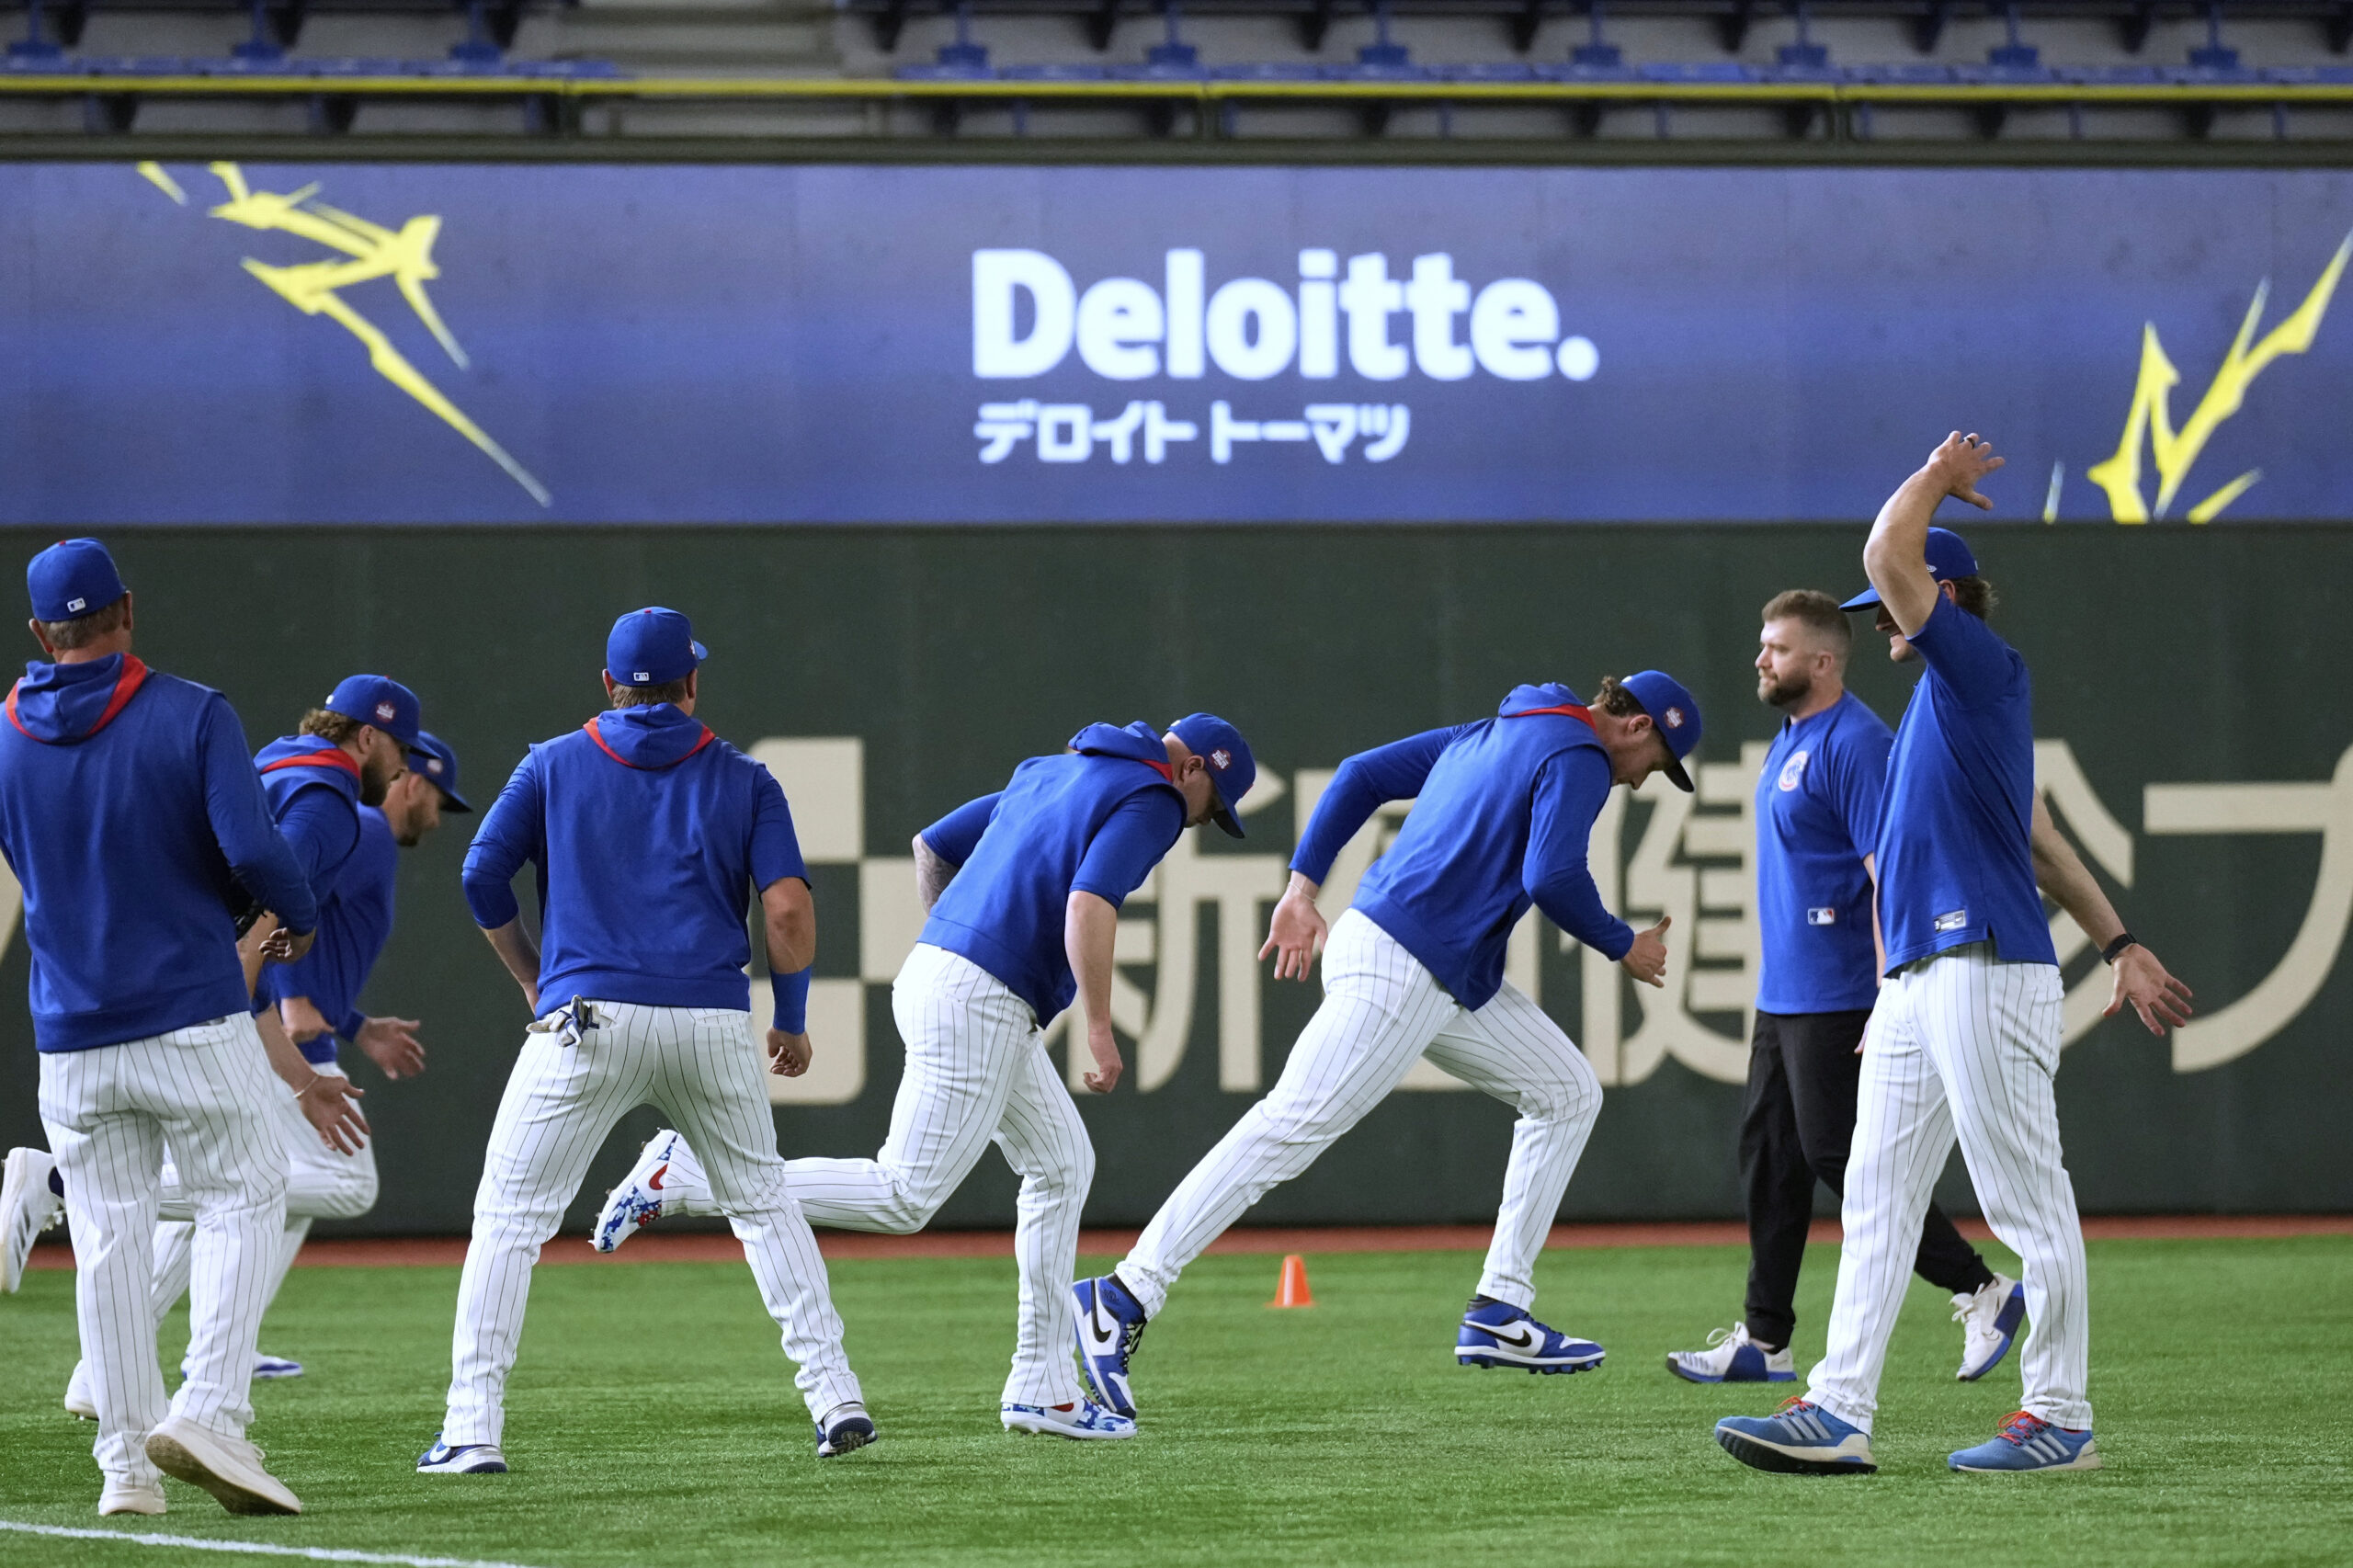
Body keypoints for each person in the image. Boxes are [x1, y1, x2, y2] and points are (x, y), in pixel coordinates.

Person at [1713, 434, 2193, 1477]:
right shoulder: (1941, 706)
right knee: (1878, 1194)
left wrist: (1932, 475)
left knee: (2025, 1198)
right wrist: (2119, 940)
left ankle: (2059, 1414)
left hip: (1983, 963)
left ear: (1943, 591)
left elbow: (1891, 554)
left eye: (1890, 601)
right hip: (1917, 982)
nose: (1876, 613)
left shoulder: (1976, 667)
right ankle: (1838, 1407)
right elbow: (2038, 836)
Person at [591, 712, 1258, 1444]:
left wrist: (958, 943)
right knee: (904, 1194)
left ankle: (1043, 1387)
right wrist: (1098, 1027)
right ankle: (683, 1176)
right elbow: (1090, 902)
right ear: (1195, 768)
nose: (1200, 822)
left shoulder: (1052, 767)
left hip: (948, 978)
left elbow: (931, 845)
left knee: (1063, 1165)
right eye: (1212, 807)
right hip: (979, 998)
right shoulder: (1156, 795)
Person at [1072, 674, 1698, 1422]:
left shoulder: (1499, 729)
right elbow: (1553, 875)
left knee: (1566, 1092)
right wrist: (1623, 943)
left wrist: (1304, 890)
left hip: (1430, 963)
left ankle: (1501, 1307)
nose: (1639, 780)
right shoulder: (1581, 755)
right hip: (1405, 963)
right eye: (1656, 764)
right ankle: (1123, 1294)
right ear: (1636, 729)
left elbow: (1359, 776)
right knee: (1288, 1128)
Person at [425, 608, 870, 1474]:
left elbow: (481, 873)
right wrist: (793, 1016)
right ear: (692, 685)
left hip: (587, 1019)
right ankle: (835, 1395)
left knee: (509, 1223)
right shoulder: (744, 777)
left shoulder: (552, 762)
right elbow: (787, 909)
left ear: (607, 685)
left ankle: (473, 1429)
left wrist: (531, 978)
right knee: (764, 1207)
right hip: (709, 1020)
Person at [0, 539, 320, 1517]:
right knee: (249, 1188)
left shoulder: (5, 731)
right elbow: (255, 845)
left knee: (107, 1238)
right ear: (127, 610)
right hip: (186, 1009)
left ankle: (125, 1468)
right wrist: (294, 915)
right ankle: (211, 1409)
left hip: (71, 1030)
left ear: (36, 632)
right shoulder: (190, 710)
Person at [48, 731, 470, 1416]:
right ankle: (77, 1183)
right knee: (336, 1184)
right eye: (438, 799)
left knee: (267, 1205)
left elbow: (305, 919)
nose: (435, 816)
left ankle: (115, 1370)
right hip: (273, 1035)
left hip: (269, 1026)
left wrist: (358, 1024)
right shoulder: (359, 826)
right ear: (413, 781)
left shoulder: (351, 825)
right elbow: (285, 901)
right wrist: (299, 1001)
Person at [1667, 591, 2018, 1387]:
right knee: (1771, 1160)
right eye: (1763, 646)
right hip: (1784, 995)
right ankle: (1765, 1342)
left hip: (1844, 995)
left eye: (1779, 649)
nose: (1762, 659)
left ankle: (1983, 1289)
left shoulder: (1857, 744)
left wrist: (1894, 988)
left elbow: (1886, 873)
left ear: (1823, 661)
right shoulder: (1792, 738)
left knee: (1842, 1158)